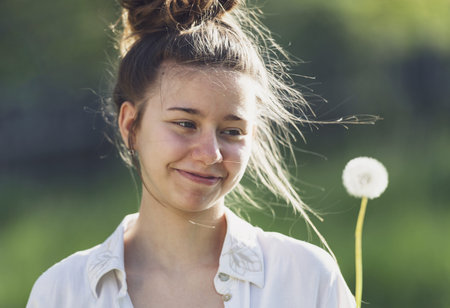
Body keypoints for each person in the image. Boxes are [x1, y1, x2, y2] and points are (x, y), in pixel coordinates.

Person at [27, 0, 356, 307]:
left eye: (231, 131)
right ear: (131, 125)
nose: (210, 153)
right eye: (185, 123)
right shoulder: (62, 292)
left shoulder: (306, 279)